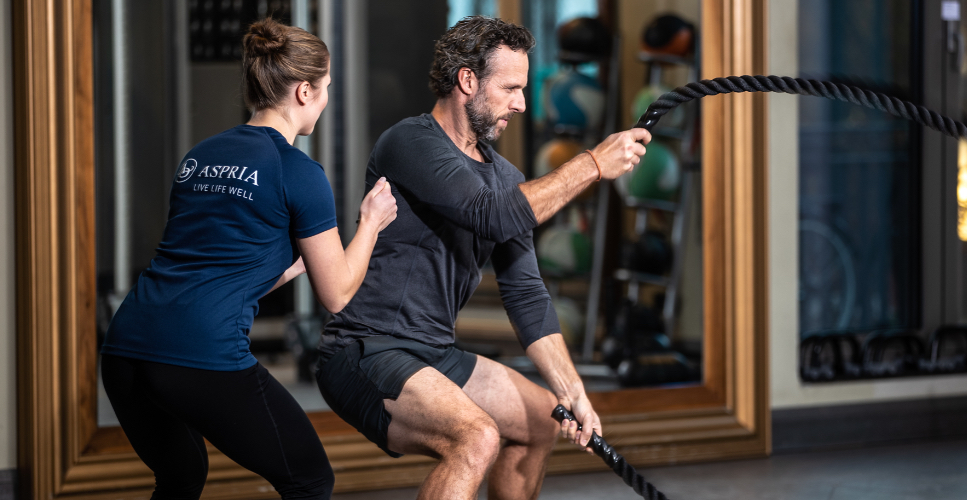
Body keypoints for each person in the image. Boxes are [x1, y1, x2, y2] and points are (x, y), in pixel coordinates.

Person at [315, 16, 651, 500]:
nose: (521, 103)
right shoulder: (409, 143)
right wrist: (593, 164)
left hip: (433, 353)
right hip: (364, 349)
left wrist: (571, 390)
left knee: (540, 421)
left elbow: (526, 293)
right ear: (467, 81)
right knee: (476, 437)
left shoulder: (505, 177)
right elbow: (487, 215)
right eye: (510, 88)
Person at [99, 18, 397, 500]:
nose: (324, 102)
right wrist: (371, 222)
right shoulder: (298, 170)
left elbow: (201, 271)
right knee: (310, 479)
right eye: (324, 91)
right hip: (199, 354)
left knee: (180, 478)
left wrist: (283, 271)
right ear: (303, 91)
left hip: (126, 348)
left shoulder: (200, 155)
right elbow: (338, 294)